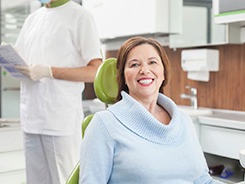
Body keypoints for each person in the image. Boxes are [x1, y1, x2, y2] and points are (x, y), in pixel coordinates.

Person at [79, 36, 224, 184]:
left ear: (163, 72)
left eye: (152, 62)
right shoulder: (103, 124)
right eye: (134, 64)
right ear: (123, 76)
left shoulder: (183, 120)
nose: (145, 70)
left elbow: (203, 180)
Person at [14, 0, 102, 183]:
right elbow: (20, 59)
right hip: (31, 117)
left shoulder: (80, 16)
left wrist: (49, 71)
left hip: (60, 121)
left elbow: (95, 71)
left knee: (65, 180)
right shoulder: (32, 19)